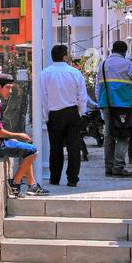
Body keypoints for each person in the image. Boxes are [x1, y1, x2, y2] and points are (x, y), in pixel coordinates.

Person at [0, 74, 46, 197]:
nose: (10, 91)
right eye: (8, 87)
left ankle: (32, 185)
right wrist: (19, 135)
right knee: (33, 151)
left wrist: (14, 138)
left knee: (26, 147)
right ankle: (15, 183)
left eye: (11, 88)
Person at [40, 43, 88, 187]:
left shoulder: (45, 73)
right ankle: (72, 179)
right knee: (74, 147)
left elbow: (43, 97)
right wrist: (80, 112)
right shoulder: (75, 73)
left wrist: (46, 116)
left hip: (54, 114)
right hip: (72, 112)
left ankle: (55, 178)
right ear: (65, 57)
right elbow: (82, 95)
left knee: (55, 147)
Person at [96, 40, 132, 178]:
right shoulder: (127, 63)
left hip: (106, 104)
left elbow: (98, 87)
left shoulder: (103, 64)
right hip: (123, 104)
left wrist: (100, 104)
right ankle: (119, 167)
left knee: (109, 136)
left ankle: (108, 167)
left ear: (112, 50)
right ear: (124, 52)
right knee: (123, 135)